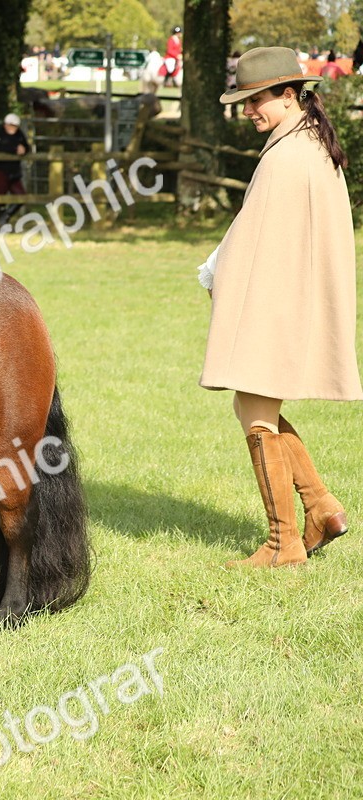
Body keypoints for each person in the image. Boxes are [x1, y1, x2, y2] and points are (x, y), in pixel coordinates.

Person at [197, 47, 361, 569]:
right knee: (253, 407)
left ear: (289, 95)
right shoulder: (309, 143)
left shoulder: (289, 156)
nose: (248, 110)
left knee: (257, 414)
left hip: (276, 300)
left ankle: (282, 543)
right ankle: (320, 507)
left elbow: (253, 233)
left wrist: (216, 272)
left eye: (256, 99)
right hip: (290, 297)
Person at [0, 113, 29, 229]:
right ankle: (1, 222)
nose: (11, 128)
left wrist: (24, 149)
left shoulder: (19, 135)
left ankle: (7, 215)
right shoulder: (0, 134)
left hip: (14, 172)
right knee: (1, 197)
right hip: (0, 170)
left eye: (14, 126)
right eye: (9, 125)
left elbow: (27, 146)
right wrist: (15, 149)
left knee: (21, 196)